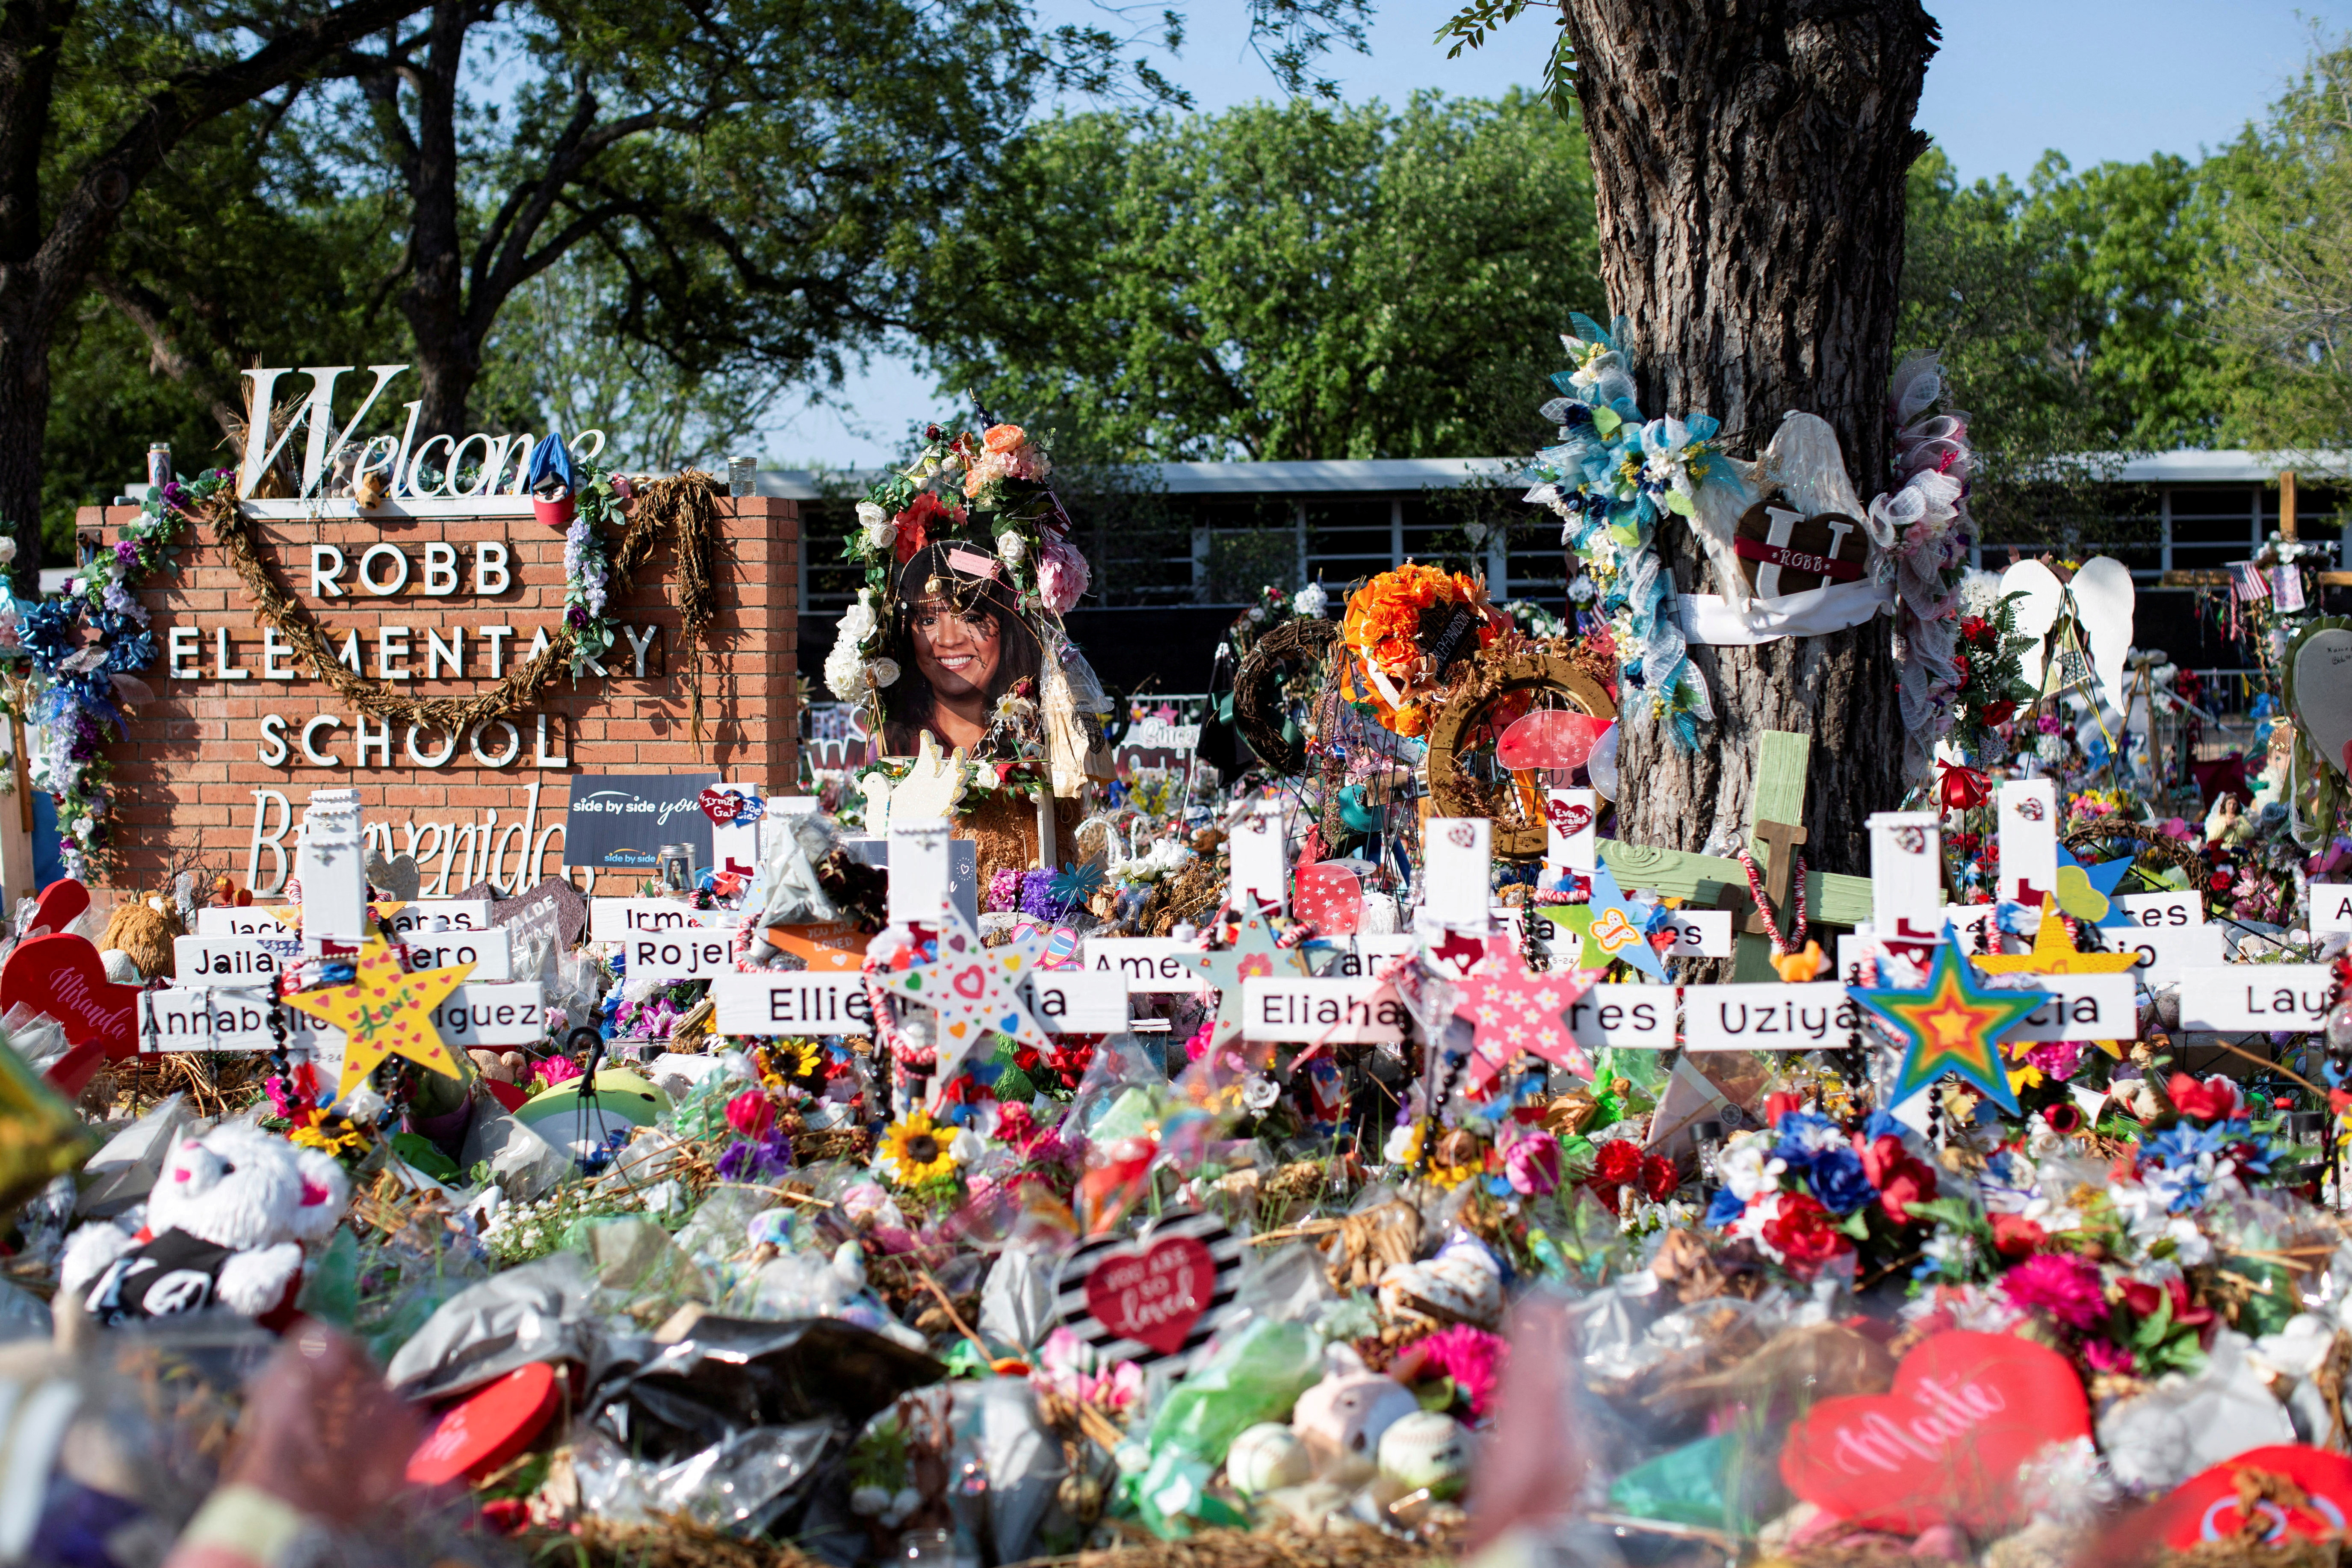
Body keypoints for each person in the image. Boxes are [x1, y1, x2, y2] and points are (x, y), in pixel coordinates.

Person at [878, 542, 1042, 757]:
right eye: (928, 621)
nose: (949, 640)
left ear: (1006, 627)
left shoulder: (1045, 735)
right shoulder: (893, 743)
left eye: (971, 618)